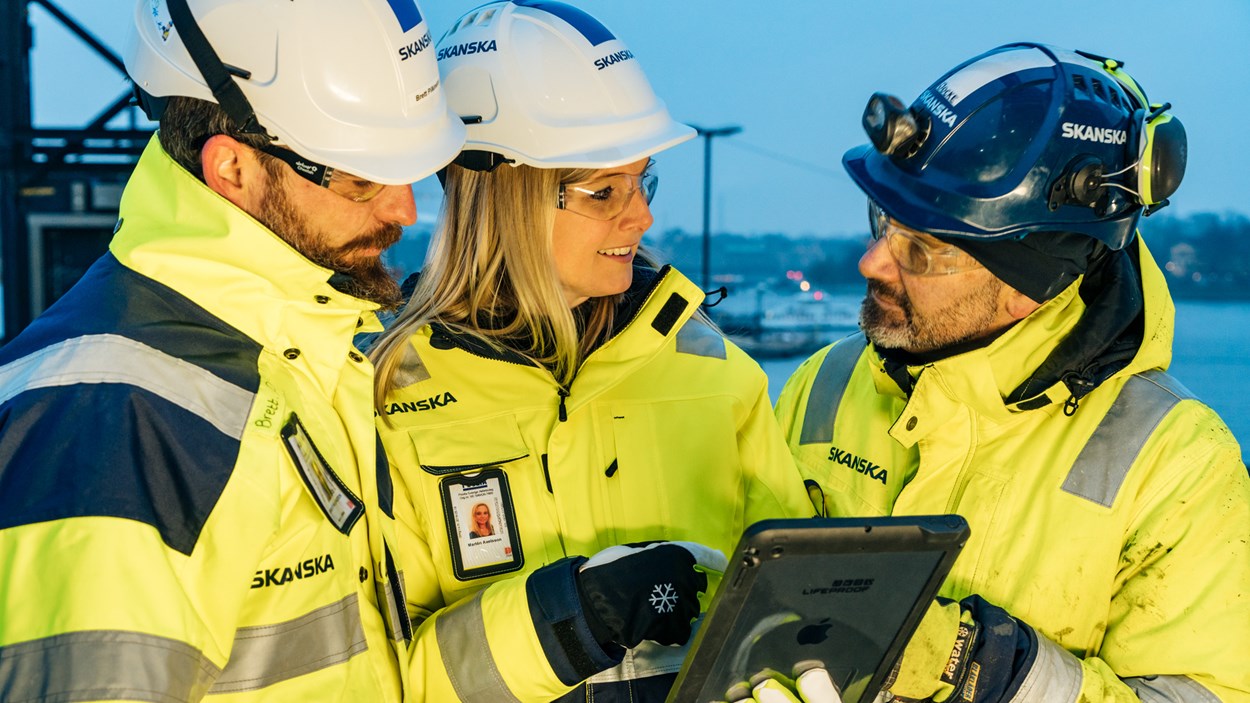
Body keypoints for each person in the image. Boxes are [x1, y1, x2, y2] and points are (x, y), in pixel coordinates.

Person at [0, 1, 722, 701]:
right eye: (360, 175)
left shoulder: (299, 365)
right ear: (234, 170)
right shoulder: (118, 411)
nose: (405, 209)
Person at [773, 43, 1250, 701]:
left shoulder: (1176, 466)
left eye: (924, 248)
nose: (873, 262)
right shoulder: (825, 382)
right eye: (885, 219)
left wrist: (994, 670)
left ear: (1030, 282)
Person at [369, 2, 814, 701]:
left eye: (643, 181)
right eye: (604, 190)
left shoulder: (712, 368)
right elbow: (378, 676)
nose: (641, 217)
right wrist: (570, 619)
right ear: (503, 196)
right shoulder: (386, 391)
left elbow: (798, 611)